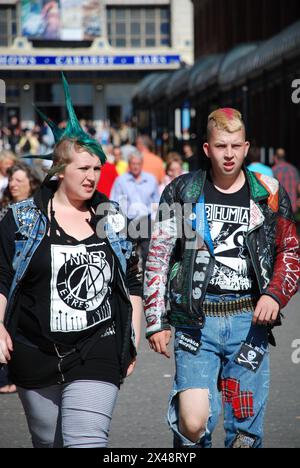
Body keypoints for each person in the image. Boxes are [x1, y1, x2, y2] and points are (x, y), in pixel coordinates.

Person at [0, 73, 143, 448]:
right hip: (34, 349)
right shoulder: (21, 219)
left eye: (97, 168)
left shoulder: (112, 220)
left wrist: (134, 333)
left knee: (85, 441)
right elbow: (2, 279)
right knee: (50, 442)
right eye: (83, 168)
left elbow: (133, 281)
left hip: (99, 344)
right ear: (60, 170)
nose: (92, 177)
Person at [144, 108, 300, 448]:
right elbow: (157, 256)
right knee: (192, 424)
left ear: (246, 148)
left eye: (234, 146)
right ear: (206, 149)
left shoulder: (268, 193)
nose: (228, 154)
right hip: (194, 323)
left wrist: (274, 295)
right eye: (220, 146)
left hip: (250, 323)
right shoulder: (182, 191)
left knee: (245, 432)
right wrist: (156, 321)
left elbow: (290, 250)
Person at [111, 151, 159, 269]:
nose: (135, 166)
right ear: (129, 164)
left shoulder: (151, 180)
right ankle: (130, 283)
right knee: (128, 255)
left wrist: (155, 221)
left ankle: (146, 283)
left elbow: (156, 202)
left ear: (142, 164)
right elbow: (114, 202)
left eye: (138, 163)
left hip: (146, 220)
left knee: (148, 253)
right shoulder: (121, 181)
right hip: (128, 220)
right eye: (133, 163)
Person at [272, 148, 300, 214]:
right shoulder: (293, 169)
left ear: (275, 157)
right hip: (293, 207)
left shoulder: (273, 171)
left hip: (280, 207)